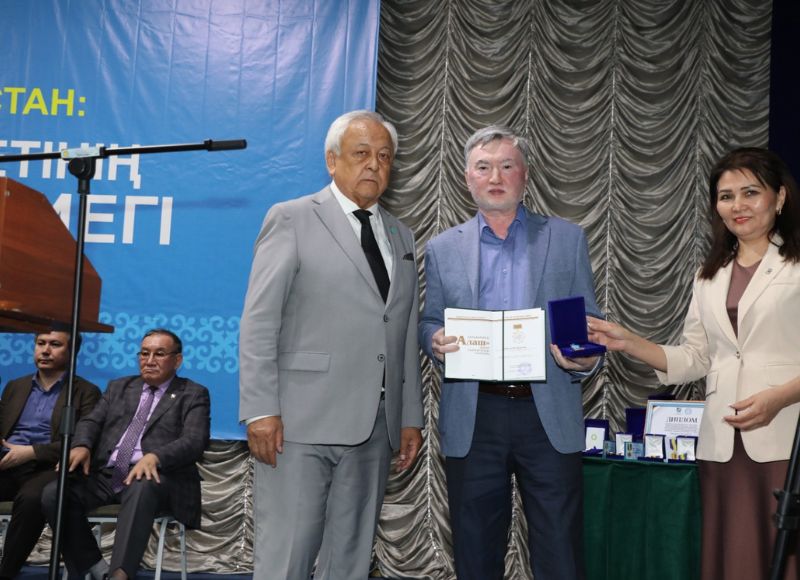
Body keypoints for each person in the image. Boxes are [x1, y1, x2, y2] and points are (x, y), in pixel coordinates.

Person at [587, 147, 800, 580]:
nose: (737, 205)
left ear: (779, 197)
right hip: (722, 443)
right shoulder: (709, 275)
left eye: (750, 192)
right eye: (726, 196)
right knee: (731, 555)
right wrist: (630, 342)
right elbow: (696, 358)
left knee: (783, 554)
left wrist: (779, 397)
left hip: (787, 433)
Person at [239, 109, 424, 580]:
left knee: (350, 562)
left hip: (375, 427)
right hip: (299, 422)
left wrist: (409, 417)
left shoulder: (401, 234)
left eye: (384, 156)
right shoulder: (292, 218)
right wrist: (260, 409)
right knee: (287, 559)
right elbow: (259, 321)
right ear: (331, 160)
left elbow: (401, 331)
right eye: (361, 153)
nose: (374, 165)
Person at [418, 125, 602, 580]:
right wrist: (434, 340)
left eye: (506, 165)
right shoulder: (442, 248)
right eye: (483, 167)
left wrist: (586, 357)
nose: (495, 177)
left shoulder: (566, 238)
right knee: (475, 552)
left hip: (547, 411)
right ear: (467, 178)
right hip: (474, 414)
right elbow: (429, 319)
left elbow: (588, 322)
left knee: (560, 550)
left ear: (525, 175)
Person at [42, 328, 210, 580]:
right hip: (107, 474)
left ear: (177, 360)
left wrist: (156, 457)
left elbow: (195, 441)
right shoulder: (119, 386)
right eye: (144, 353)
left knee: (142, 485)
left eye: (159, 354)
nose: (149, 360)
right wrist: (81, 445)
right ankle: (96, 568)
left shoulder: (193, 392)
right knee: (55, 493)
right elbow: (91, 421)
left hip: (159, 478)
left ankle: (121, 574)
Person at [0, 328, 100, 579]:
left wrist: (32, 452)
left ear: (72, 351)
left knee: (32, 499)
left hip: (50, 467)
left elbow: (82, 440)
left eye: (55, 344)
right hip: (8, 462)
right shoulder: (15, 386)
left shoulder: (85, 391)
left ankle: (6, 572)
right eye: (40, 343)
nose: (45, 350)